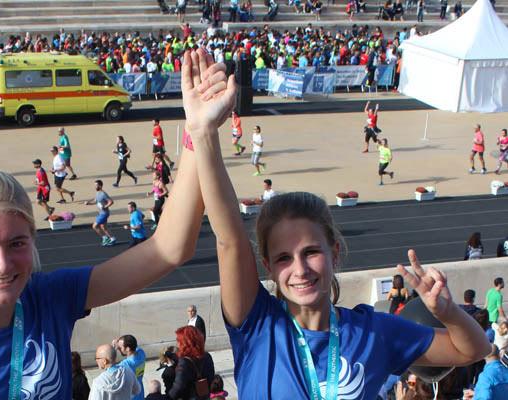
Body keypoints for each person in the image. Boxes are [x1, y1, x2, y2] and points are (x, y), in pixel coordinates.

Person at [179, 47, 490, 398]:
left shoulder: (375, 332)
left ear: (334, 251)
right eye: (283, 257)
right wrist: (203, 132)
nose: (299, 269)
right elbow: (230, 239)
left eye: (311, 251)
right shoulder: (257, 323)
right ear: (267, 266)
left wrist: (448, 312)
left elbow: (473, 349)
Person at [0, 157, 207, 398]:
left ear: (33, 241)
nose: (2, 263)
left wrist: (197, 132)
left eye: (16, 243)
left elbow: (170, 248)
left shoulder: (51, 298)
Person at [169, 325, 215, 399]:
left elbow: (178, 387)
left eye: (179, 341)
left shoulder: (184, 362)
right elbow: (211, 378)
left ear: (185, 343)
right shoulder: (207, 356)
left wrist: (167, 398)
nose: (177, 344)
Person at [85, 180, 117, 246]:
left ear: (100, 185)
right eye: (94, 185)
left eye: (96, 185)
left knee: (94, 226)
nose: (95, 186)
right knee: (103, 227)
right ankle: (112, 239)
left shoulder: (103, 194)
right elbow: (95, 201)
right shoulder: (97, 193)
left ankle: (105, 238)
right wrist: (88, 203)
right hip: (101, 213)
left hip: (104, 213)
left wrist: (105, 206)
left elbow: (111, 201)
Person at [115, 334, 147, 400]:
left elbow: (110, 369)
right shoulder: (141, 353)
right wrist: (120, 343)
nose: (119, 349)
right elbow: (134, 345)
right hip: (140, 392)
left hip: (131, 395)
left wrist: (113, 349)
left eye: (120, 347)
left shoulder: (126, 364)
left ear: (127, 348)